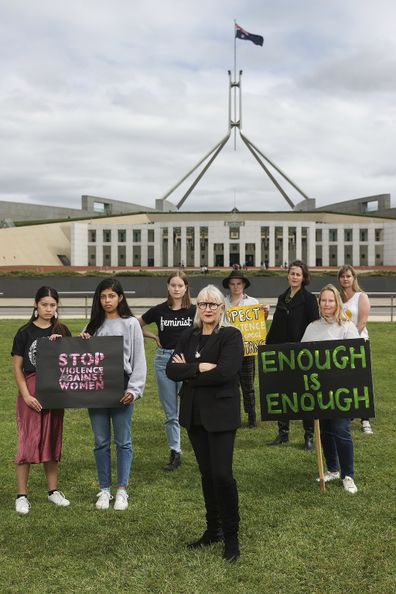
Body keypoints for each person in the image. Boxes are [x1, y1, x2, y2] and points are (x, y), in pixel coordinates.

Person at [166, 285, 244, 562]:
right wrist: (199, 367)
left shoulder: (231, 335)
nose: (207, 309)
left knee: (222, 475)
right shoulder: (189, 335)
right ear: (197, 308)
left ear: (222, 308)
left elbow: (226, 371)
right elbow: (171, 370)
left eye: (213, 304)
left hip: (221, 414)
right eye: (202, 304)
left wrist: (190, 371)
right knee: (207, 475)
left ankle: (232, 537)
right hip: (194, 414)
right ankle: (214, 530)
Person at [82, 278, 146, 511]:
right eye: (103, 296)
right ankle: (104, 489)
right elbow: (81, 361)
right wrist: (84, 343)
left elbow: (139, 359)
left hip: (122, 386)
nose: (107, 300)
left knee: (123, 441)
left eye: (111, 296)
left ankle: (122, 490)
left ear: (120, 297)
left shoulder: (130, 324)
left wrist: (134, 389)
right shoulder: (92, 327)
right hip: (96, 389)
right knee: (100, 441)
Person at [11, 286, 72, 514]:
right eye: (44, 304)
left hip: (54, 391)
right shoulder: (24, 332)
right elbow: (17, 367)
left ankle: (53, 491)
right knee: (27, 440)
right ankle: (21, 495)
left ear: (57, 307)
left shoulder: (61, 330)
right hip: (32, 389)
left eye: (53, 305)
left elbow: (71, 360)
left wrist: (61, 345)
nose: (48, 309)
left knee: (52, 437)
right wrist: (26, 394)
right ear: (36, 304)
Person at [301, 284, 360, 493]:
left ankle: (348, 475)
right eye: (323, 300)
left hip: (340, 391)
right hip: (319, 391)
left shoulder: (347, 326)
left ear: (337, 302)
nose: (327, 304)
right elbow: (301, 357)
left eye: (331, 300)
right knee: (324, 430)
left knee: (341, 430)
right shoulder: (312, 327)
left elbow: (356, 359)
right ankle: (333, 469)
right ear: (319, 303)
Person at [139, 271, 195, 471]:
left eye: (180, 285)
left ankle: (200, 448)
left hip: (187, 362)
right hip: (164, 361)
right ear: (168, 287)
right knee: (171, 413)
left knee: (191, 408)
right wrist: (153, 336)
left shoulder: (194, 311)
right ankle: (175, 451)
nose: (177, 289)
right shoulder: (159, 310)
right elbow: (136, 324)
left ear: (186, 288)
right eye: (173, 285)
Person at [266, 260, 319, 450]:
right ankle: (283, 432)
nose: (294, 277)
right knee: (283, 393)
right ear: (287, 275)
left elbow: (315, 325)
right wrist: (267, 345)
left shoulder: (309, 298)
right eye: (292, 273)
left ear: (304, 277)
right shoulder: (282, 298)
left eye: (298, 274)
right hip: (282, 352)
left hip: (302, 353)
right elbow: (277, 325)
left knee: (304, 394)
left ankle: (309, 435)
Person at [222, 269, 268, 428]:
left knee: (248, 386)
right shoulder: (222, 303)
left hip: (248, 350)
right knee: (231, 385)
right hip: (228, 351)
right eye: (233, 284)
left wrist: (265, 314)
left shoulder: (253, 302)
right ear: (229, 285)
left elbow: (259, 323)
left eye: (239, 284)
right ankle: (232, 415)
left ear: (243, 285)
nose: (236, 287)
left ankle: (251, 416)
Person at [337, 264, 373, 434]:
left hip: (358, 343)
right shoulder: (337, 297)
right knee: (346, 382)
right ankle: (349, 415)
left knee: (362, 382)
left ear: (353, 278)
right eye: (343, 276)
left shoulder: (361, 296)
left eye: (348, 276)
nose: (345, 279)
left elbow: (362, 322)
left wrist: (351, 340)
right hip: (341, 346)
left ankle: (365, 419)